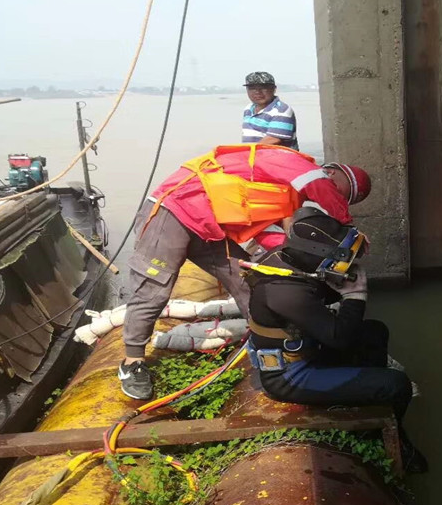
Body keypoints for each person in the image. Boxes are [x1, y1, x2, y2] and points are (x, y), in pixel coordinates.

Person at [118, 144, 371, 400]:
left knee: (247, 280)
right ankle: (132, 362)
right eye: (341, 191)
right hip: (174, 209)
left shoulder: (287, 194)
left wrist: (303, 269)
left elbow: (275, 240)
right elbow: (319, 184)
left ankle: (266, 346)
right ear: (333, 173)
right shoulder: (298, 166)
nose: (334, 196)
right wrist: (348, 229)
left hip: (207, 224)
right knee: (154, 290)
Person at [245, 207, 428, 473]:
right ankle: (388, 436)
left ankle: (364, 396)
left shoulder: (285, 261)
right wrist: (356, 295)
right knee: (397, 384)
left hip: (309, 350)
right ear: (317, 256)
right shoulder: (285, 293)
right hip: (290, 375)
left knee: (375, 330)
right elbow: (339, 338)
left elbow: (322, 296)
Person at [242, 71, 298, 149]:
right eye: (252, 88)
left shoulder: (282, 110)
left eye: (263, 88)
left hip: (279, 159)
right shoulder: (248, 109)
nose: (258, 92)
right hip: (254, 156)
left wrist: (246, 152)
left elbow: (273, 139)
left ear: (274, 89)